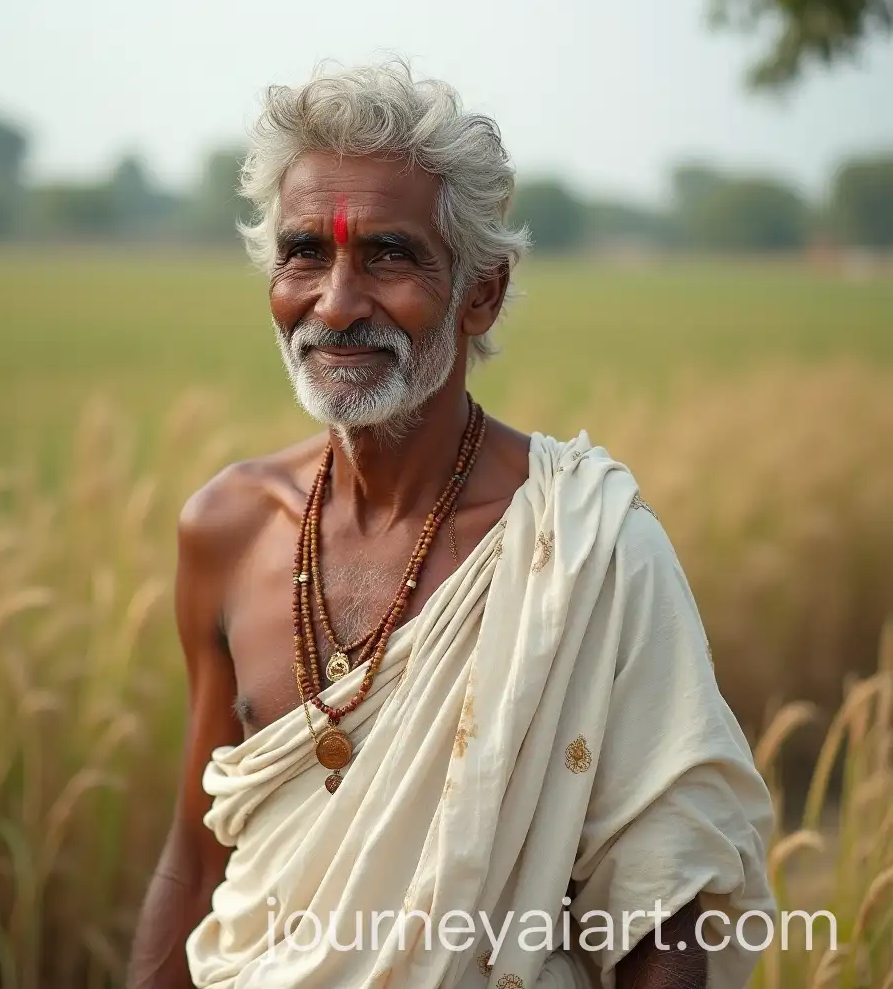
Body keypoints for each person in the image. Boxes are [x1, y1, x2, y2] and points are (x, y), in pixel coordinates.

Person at [127, 59, 775, 989]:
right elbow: (194, 861)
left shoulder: (588, 546)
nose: (337, 304)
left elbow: (662, 911)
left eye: (388, 255)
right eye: (306, 252)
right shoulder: (225, 529)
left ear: (483, 293)